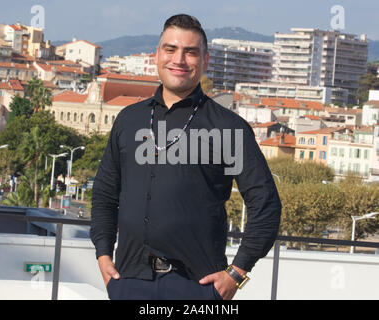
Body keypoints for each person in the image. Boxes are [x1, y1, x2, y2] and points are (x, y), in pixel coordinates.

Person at [90, 14, 281, 300]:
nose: (179, 60)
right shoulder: (129, 120)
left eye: (190, 52)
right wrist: (103, 255)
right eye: (171, 49)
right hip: (129, 280)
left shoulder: (228, 127)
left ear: (205, 61)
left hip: (197, 287)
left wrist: (237, 273)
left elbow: (265, 204)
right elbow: (105, 193)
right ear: (157, 55)